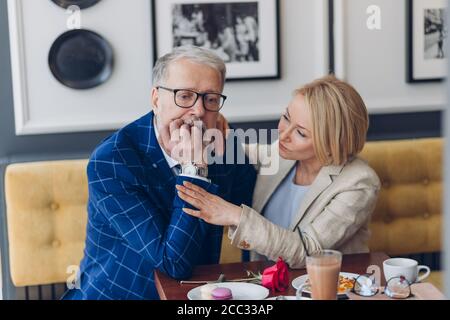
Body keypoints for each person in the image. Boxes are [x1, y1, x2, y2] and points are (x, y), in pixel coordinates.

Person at [62, 46, 257, 300]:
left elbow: (254, 204)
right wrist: (194, 169)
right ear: (156, 99)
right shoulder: (112, 160)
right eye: (185, 96)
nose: (198, 111)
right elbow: (172, 264)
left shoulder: (221, 145)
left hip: (195, 297)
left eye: (210, 99)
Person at [177, 75, 381, 268]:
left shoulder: (359, 182)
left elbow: (307, 252)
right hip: (266, 284)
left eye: (301, 133)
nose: (284, 134)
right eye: (286, 117)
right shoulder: (282, 153)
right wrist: (220, 132)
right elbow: (246, 152)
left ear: (331, 144)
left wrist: (235, 216)